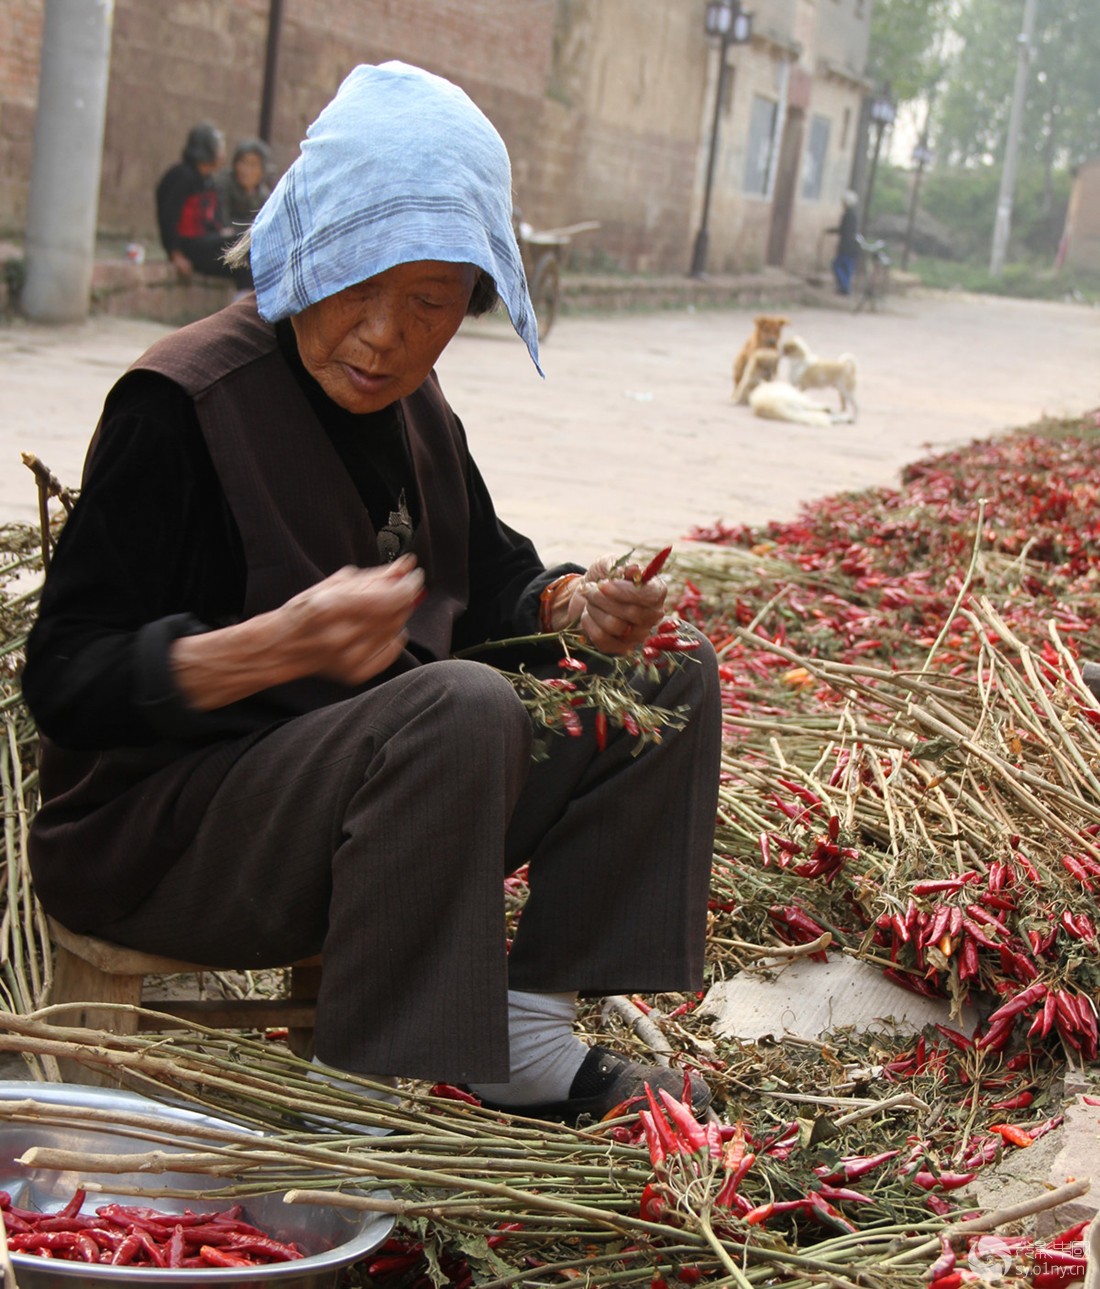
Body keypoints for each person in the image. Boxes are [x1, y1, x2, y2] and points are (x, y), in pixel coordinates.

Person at [22, 62, 721, 1124]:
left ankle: (522, 1031)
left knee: (664, 674)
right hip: (164, 839)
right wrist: (271, 647)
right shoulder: (181, 401)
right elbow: (63, 677)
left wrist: (574, 604)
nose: (385, 334)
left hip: (383, 814)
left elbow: (488, 571)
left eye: (430, 303)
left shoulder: (414, 408)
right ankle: (352, 1106)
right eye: (358, 283)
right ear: (305, 247)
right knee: (458, 704)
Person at [154, 122, 252, 290]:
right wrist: (175, 253)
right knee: (243, 249)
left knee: (248, 244)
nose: (222, 154)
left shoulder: (207, 180)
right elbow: (168, 216)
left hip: (208, 241)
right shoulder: (181, 176)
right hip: (191, 247)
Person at [216, 137, 274, 231]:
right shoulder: (223, 186)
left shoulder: (264, 197)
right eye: (243, 162)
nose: (247, 170)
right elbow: (223, 224)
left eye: (253, 164)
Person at [828, 189, 860, 295]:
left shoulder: (848, 216)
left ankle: (845, 287)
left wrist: (830, 231)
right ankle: (845, 287)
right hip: (852, 247)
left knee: (837, 265)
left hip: (846, 247)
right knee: (847, 268)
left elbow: (843, 230)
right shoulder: (853, 215)